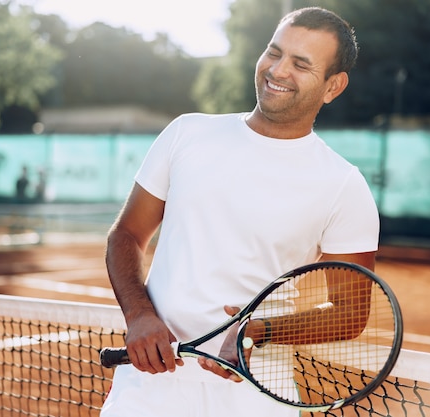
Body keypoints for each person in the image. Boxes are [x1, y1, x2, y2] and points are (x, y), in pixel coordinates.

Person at [102, 7, 379, 417]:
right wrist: (140, 315)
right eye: (274, 52)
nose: (279, 70)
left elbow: (349, 313)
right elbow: (126, 236)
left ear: (333, 86)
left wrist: (259, 333)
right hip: (148, 389)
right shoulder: (187, 133)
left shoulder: (344, 184)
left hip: (256, 393)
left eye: (301, 64)